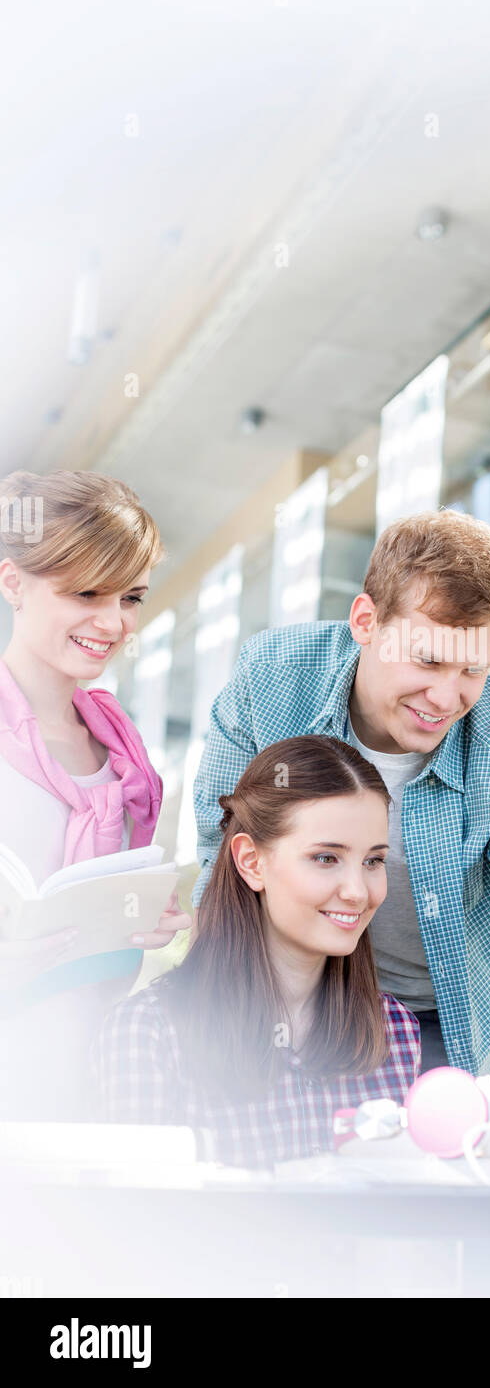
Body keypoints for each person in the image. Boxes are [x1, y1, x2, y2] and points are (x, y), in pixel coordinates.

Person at [191, 509, 490, 1167]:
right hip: (297, 1006)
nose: (447, 697)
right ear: (366, 622)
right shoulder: (271, 683)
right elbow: (223, 862)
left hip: (451, 1026)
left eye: (473, 670)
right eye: (429, 660)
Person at [94, 736, 420, 1167]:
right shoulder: (148, 1032)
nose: (358, 892)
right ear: (251, 861)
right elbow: (139, 1224)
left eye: (373, 861)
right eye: (326, 858)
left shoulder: (396, 1033)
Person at [0, 469, 190, 1119]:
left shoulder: (123, 749)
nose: (112, 623)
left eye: (131, 597)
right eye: (86, 592)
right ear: (12, 582)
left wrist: (144, 917)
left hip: (92, 1076)